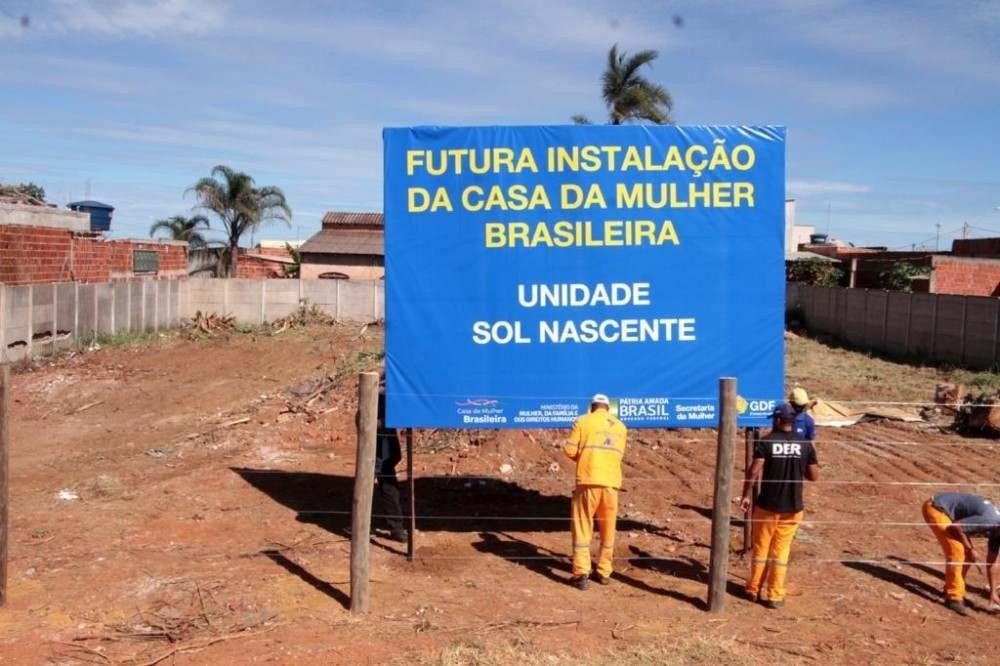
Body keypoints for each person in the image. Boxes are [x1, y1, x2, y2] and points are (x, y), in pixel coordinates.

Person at [740, 402, 819, 608]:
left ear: (776, 420)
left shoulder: (766, 443)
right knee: (781, 552)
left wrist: (746, 495)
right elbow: (814, 476)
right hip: (793, 508)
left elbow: (753, 471)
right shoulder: (804, 444)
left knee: (761, 548)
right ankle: (775, 595)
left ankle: (753, 590)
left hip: (767, 506)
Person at [563, 393, 627, 590]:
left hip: (588, 481)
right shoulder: (621, 427)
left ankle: (582, 573)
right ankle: (604, 571)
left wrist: (585, 458)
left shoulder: (583, 421)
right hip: (611, 484)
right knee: (608, 529)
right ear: (607, 408)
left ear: (592, 407)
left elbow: (570, 450)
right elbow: (618, 455)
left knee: (583, 527)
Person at [921, 492, 1000, 615]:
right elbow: (956, 527)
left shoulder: (997, 532)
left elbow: (992, 563)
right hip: (936, 508)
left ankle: (954, 590)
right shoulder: (989, 521)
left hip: (950, 516)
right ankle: (953, 598)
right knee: (957, 550)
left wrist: (993, 592)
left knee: (967, 555)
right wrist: (970, 548)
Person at [373, 392, 408, 543]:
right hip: (378, 447)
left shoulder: (388, 393)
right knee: (381, 482)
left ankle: (396, 527)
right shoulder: (382, 393)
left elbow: (395, 416)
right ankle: (396, 527)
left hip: (383, 449)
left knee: (386, 483)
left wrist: (380, 422)